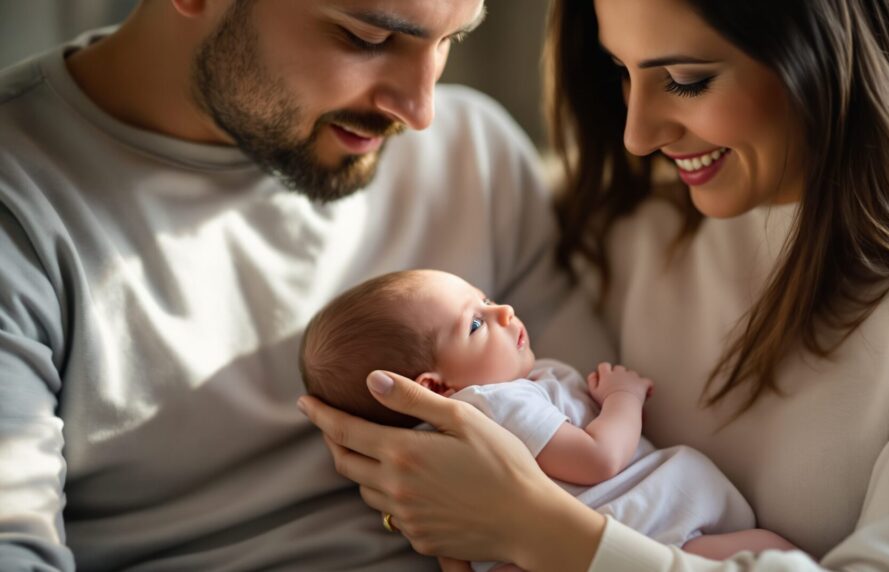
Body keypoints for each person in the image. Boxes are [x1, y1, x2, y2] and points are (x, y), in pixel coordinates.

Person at [298, 0, 889, 570]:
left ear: (834, 54)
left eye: (686, 81)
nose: (637, 134)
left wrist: (537, 530)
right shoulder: (626, 216)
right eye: (622, 71)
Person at [0, 0, 614, 570]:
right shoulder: (23, 204)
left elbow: (609, 460)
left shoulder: (471, 154)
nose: (422, 111)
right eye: (366, 37)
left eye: (450, 38)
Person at [299, 269, 796, 570]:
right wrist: (624, 398)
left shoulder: (486, 413)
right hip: (641, 526)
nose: (503, 312)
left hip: (601, 546)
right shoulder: (494, 404)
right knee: (770, 550)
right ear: (436, 389)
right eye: (475, 324)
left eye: (487, 300)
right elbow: (599, 460)